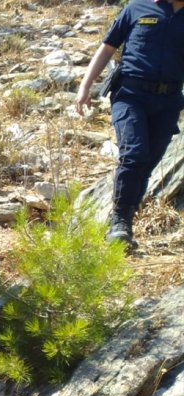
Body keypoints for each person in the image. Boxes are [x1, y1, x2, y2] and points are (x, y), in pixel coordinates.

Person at [75, 0, 184, 247]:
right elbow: (107, 48)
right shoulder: (136, 8)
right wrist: (85, 86)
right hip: (130, 95)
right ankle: (120, 222)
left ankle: (127, 217)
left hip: (169, 101)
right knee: (134, 155)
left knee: (147, 163)